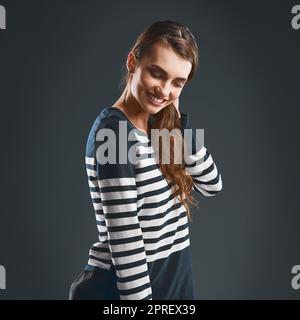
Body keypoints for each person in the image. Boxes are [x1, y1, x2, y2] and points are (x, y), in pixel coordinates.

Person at [69, 20, 222, 300]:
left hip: (171, 288)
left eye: (178, 82)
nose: (164, 90)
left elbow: (212, 184)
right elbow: (126, 245)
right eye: (157, 73)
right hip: (126, 294)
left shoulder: (160, 132)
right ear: (132, 62)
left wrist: (176, 122)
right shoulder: (114, 132)